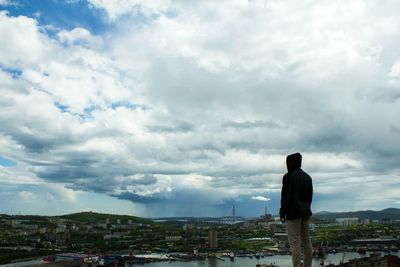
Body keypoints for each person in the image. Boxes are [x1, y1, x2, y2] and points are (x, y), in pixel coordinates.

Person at [279, 152, 313, 267]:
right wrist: (307, 208)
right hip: (305, 212)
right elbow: (309, 197)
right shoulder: (307, 177)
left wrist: (282, 213)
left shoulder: (288, 176)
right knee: (306, 239)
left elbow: (286, 196)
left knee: (295, 242)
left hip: (293, 213)